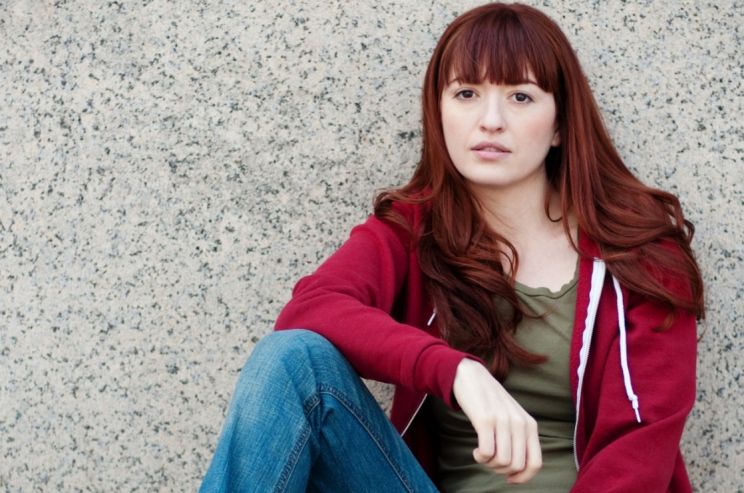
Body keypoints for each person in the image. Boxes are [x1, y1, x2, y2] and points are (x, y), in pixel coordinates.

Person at [199, 3, 704, 492]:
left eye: (520, 96)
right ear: (438, 113)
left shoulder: (640, 256)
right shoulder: (415, 231)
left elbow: (640, 451)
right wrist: (456, 371)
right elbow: (311, 308)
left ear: (559, 125)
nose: (491, 120)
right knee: (292, 360)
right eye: (466, 93)